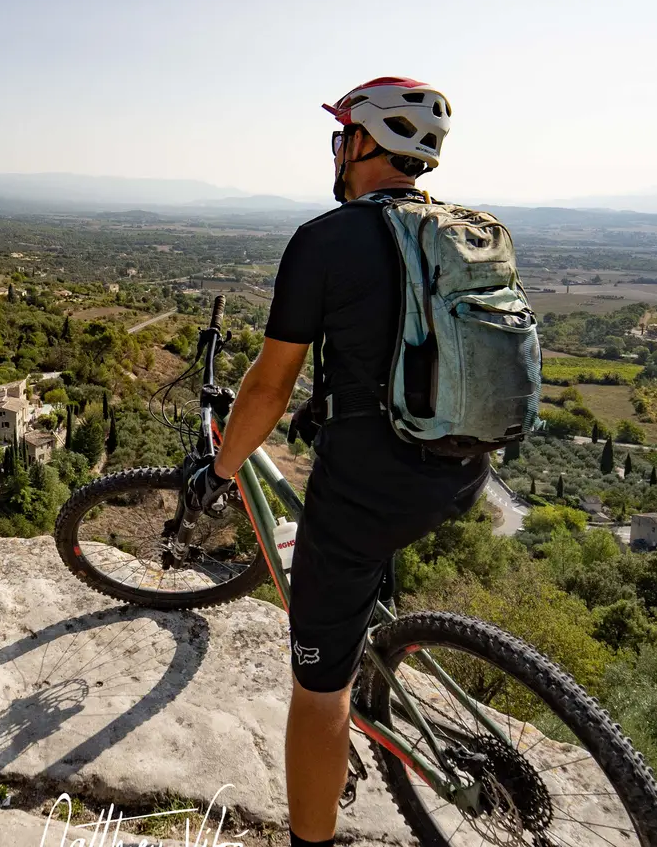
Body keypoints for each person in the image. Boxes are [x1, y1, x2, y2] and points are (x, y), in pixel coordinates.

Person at [187, 77, 489, 846]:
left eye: (339, 138)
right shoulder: (469, 232)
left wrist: (221, 471)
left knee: (316, 690)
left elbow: (268, 386)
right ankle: (379, 660)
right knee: (364, 577)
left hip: (365, 493)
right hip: (460, 472)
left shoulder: (326, 239)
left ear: (358, 144)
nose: (336, 152)